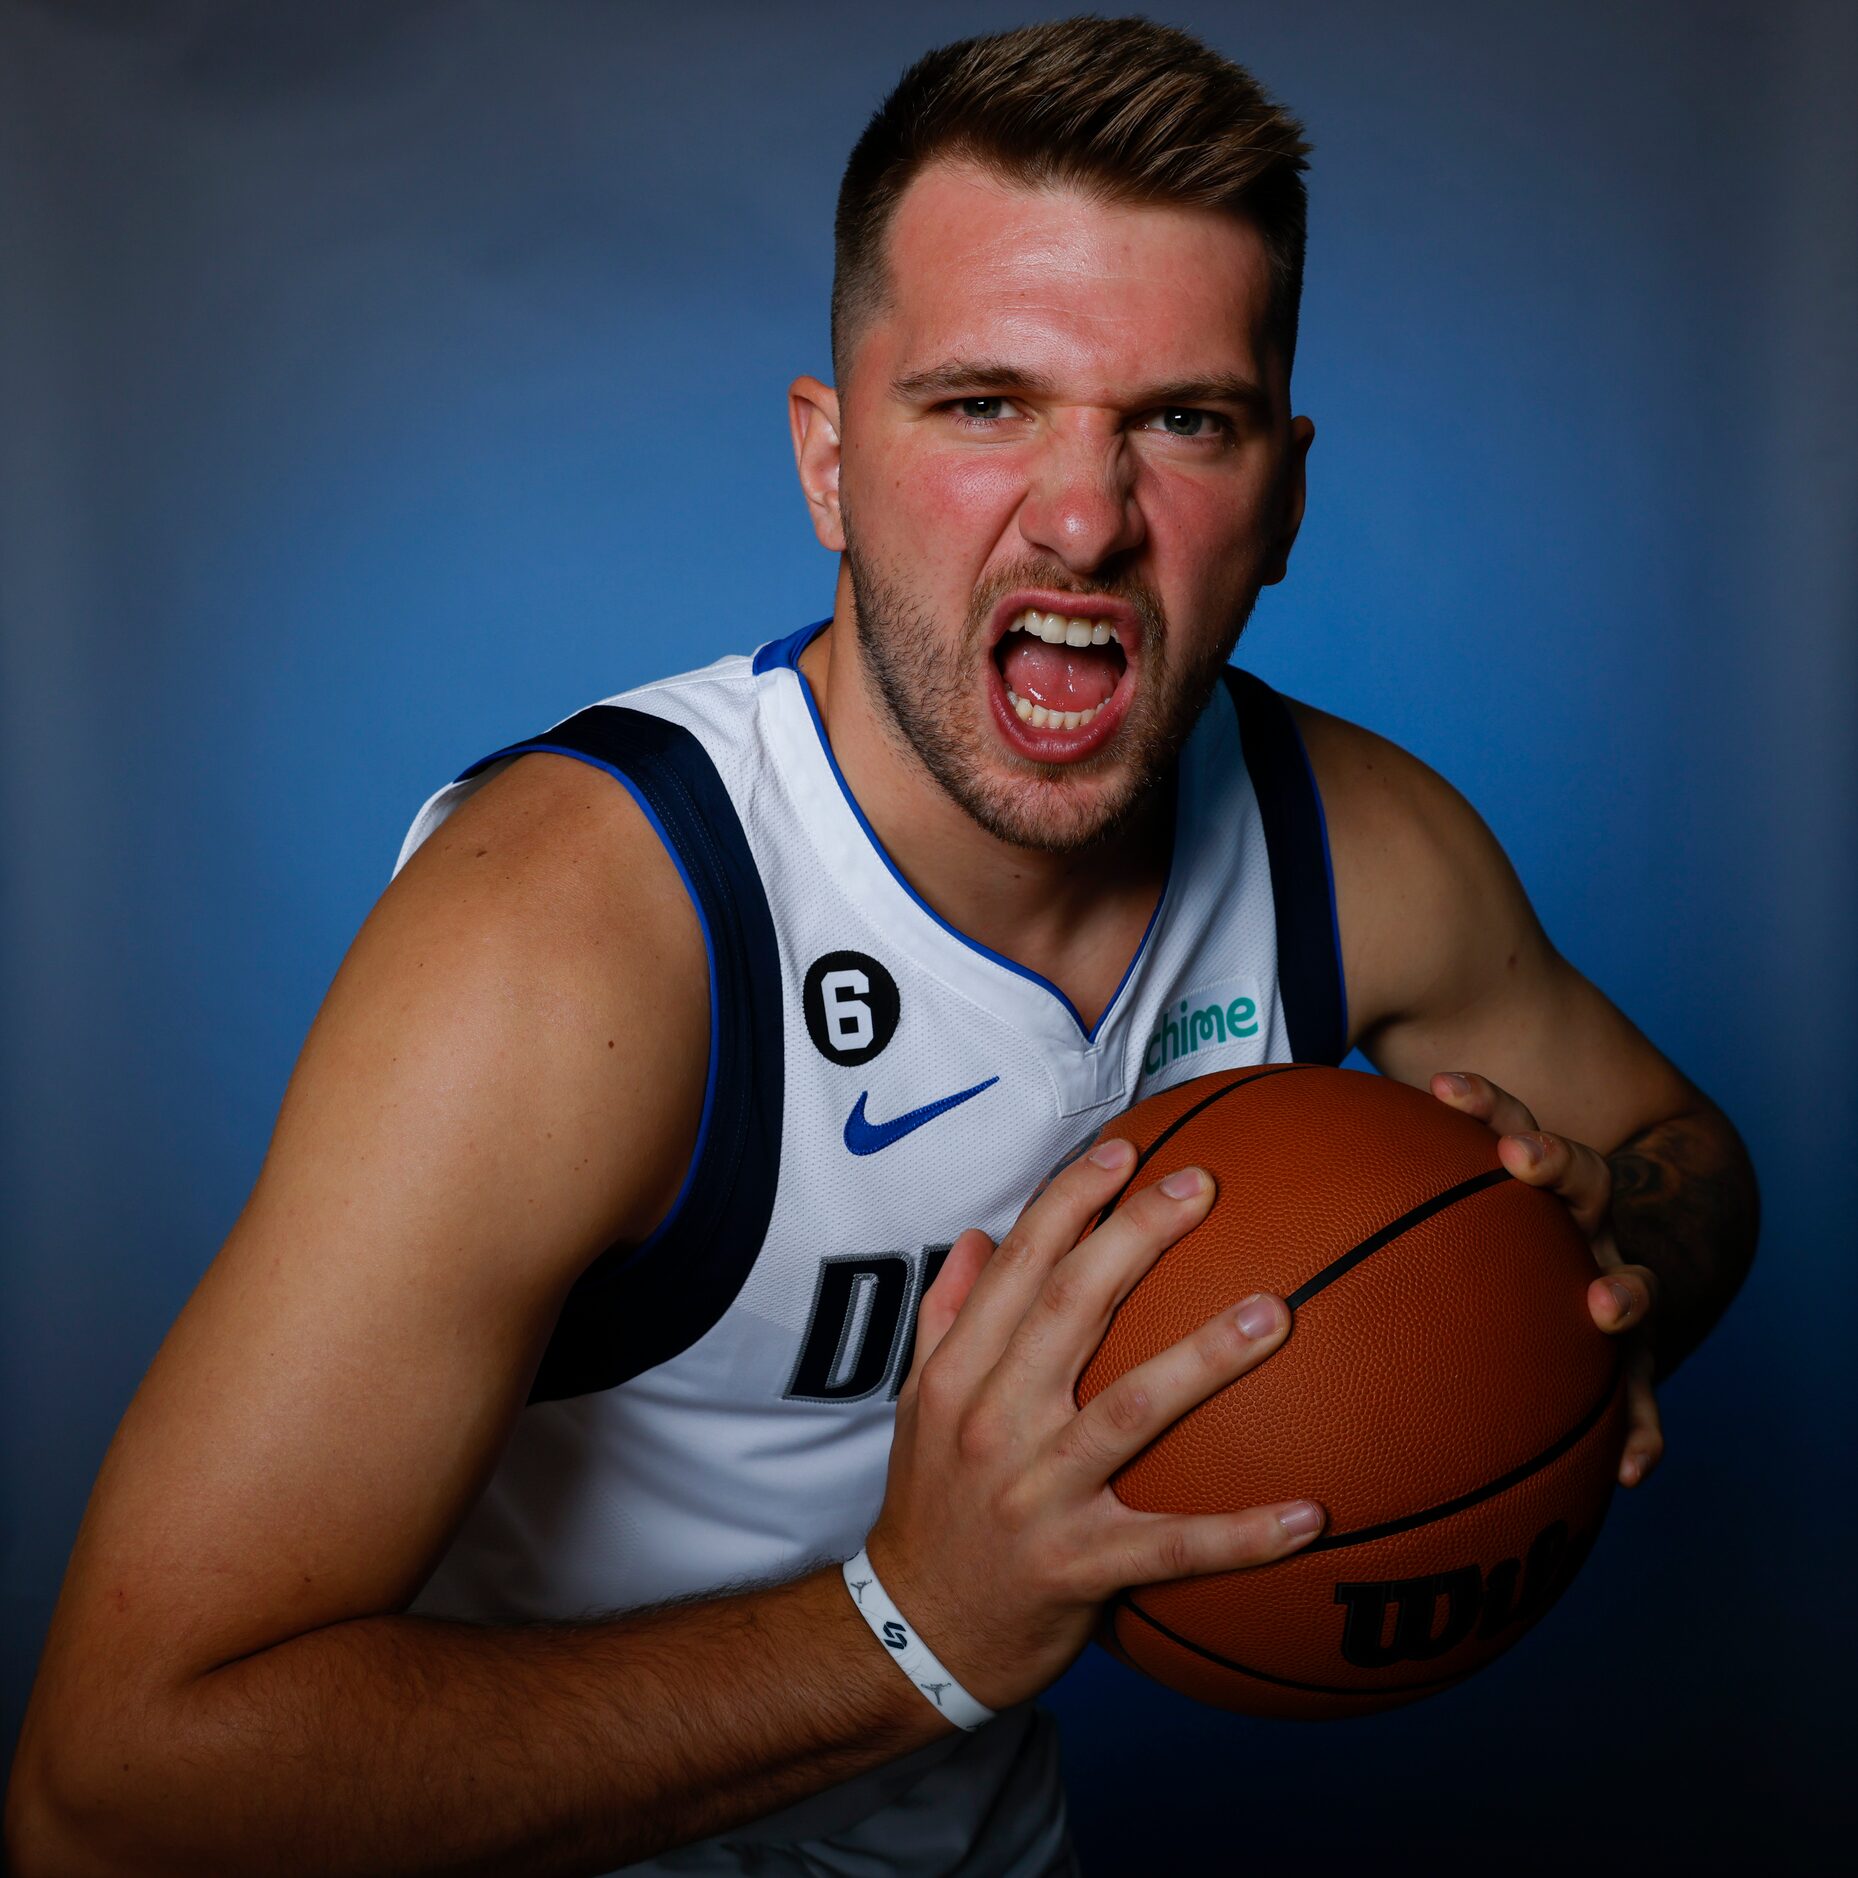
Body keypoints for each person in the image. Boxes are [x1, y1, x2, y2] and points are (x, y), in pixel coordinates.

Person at [5, 17, 1757, 1877]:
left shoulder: (1353, 845)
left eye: (1183, 420)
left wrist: (1605, 1264)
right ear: (827, 460)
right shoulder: (575, 941)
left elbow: (1683, 1161)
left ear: (1286, 494)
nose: (1083, 517)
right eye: (984, 401)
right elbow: (114, 1790)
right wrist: (911, 1630)